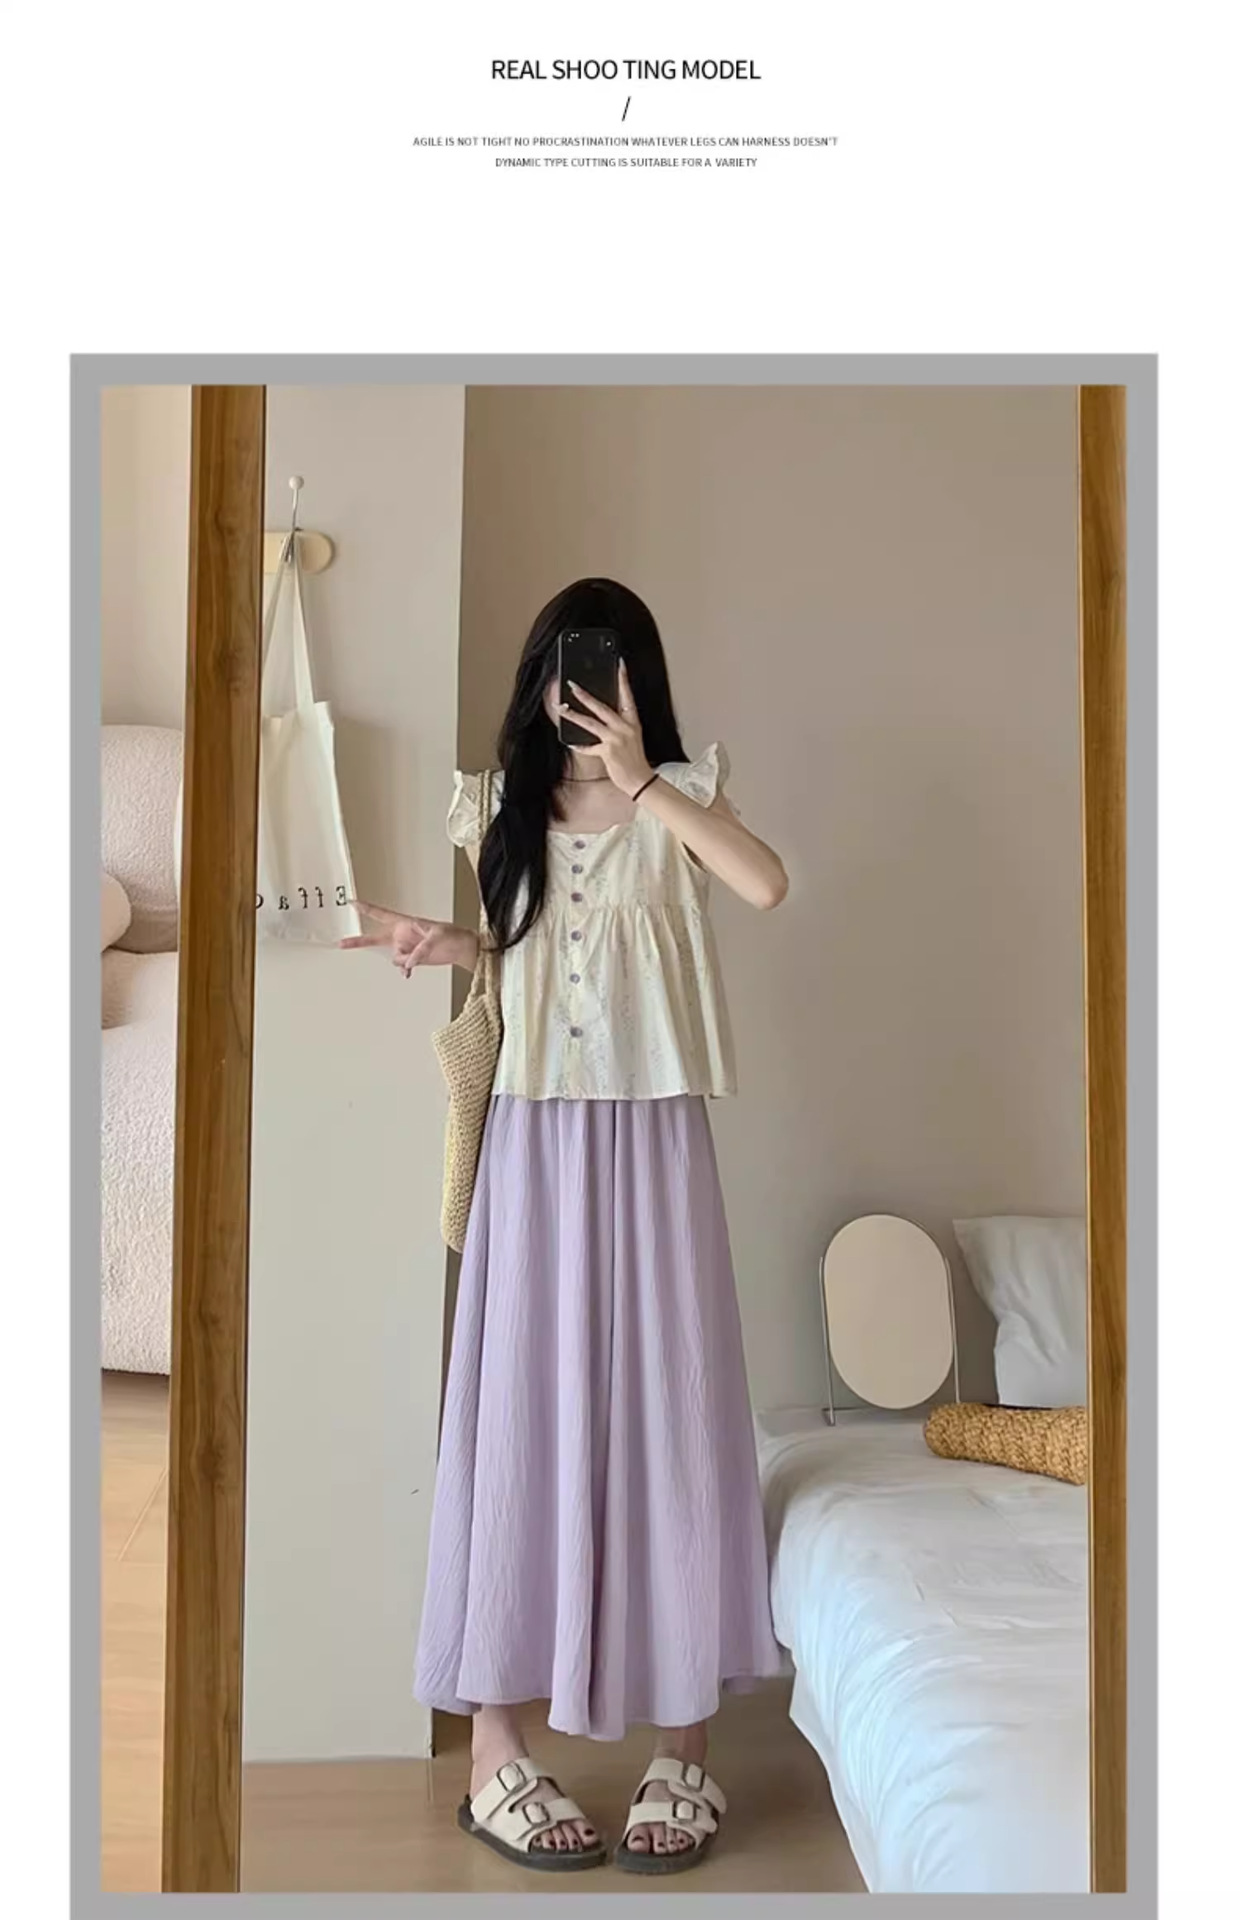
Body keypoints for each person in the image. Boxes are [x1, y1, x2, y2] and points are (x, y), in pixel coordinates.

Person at [344, 578, 788, 1876]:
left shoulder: (681, 798)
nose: (579, 691)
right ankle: (496, 1749)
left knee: (672, 1414)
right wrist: (456, 943)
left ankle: (684, 1741)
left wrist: (644, 780)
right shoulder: (496, 809)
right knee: (518, 1416)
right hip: (533, 1141)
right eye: (563, 668)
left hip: (656, 1137)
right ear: (538, 683)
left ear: (639, 683)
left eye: (605, 667)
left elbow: (765, 886)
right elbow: (530, 951)